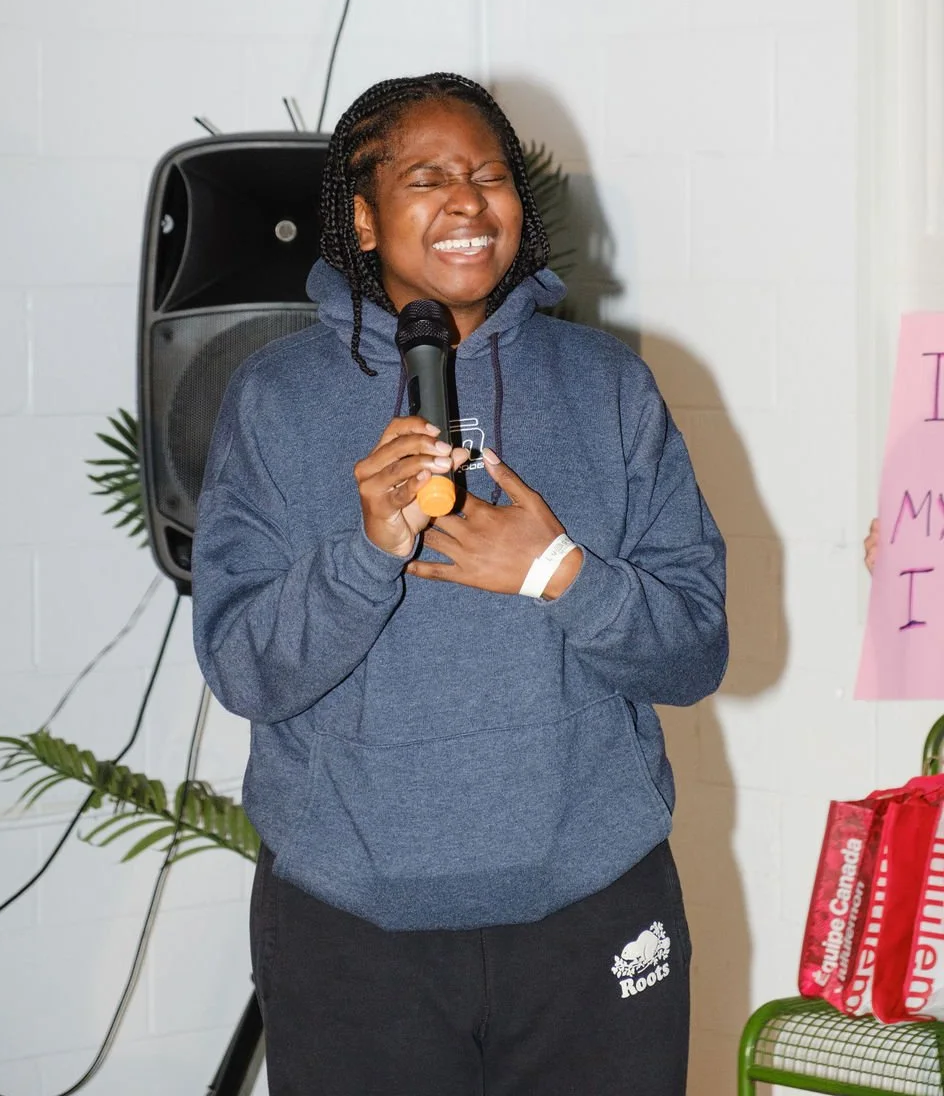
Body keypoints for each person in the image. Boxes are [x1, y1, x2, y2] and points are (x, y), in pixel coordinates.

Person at [191, 73, 728, 1096]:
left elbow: (694, 650)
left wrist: (554, 571)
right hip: (352, 924)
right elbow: (244, 667)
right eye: (428, 177)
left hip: (593, 904)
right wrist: (363, 554)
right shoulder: (274, 399)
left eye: (489, 175)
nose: (469, 202)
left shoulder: (608, 385)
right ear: (361, 214)